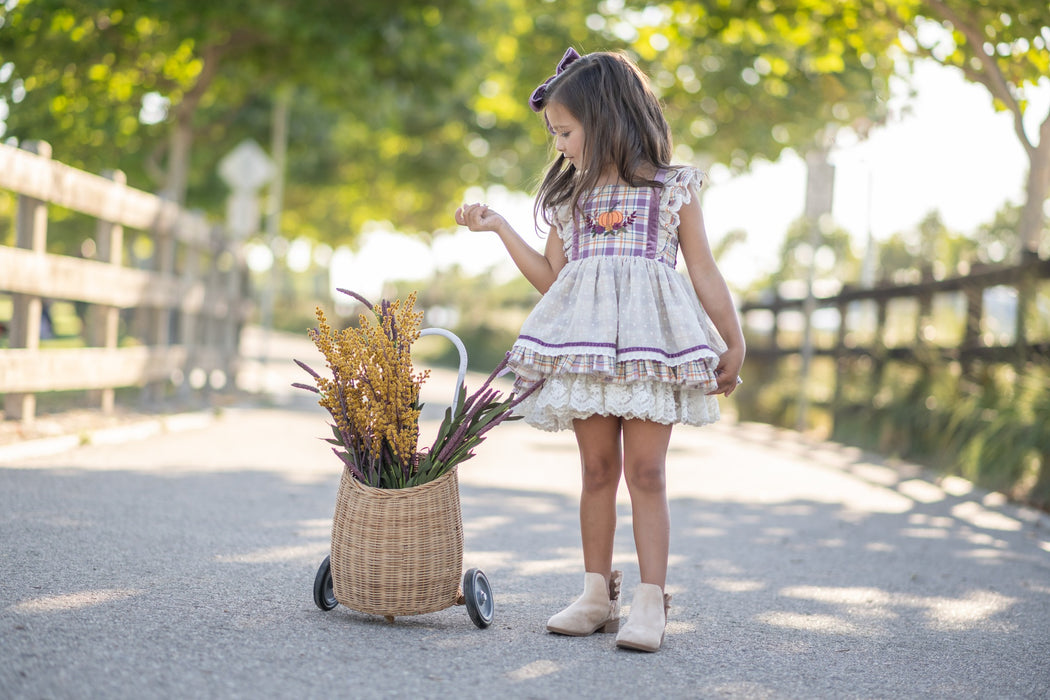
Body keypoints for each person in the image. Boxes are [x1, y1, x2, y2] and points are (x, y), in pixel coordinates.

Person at [454, 48, 745, 653]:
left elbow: (705, 272)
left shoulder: (672, 189)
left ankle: (650, 600)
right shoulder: (570, 200)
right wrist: (503, 227)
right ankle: (595, 593)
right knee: (595, 471)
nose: (558, 145)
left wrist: (732, 339)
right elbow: (552, 278)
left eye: (564, 131)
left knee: (646, 472)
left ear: (606, 117)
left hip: (648, 352)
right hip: (587, 350)